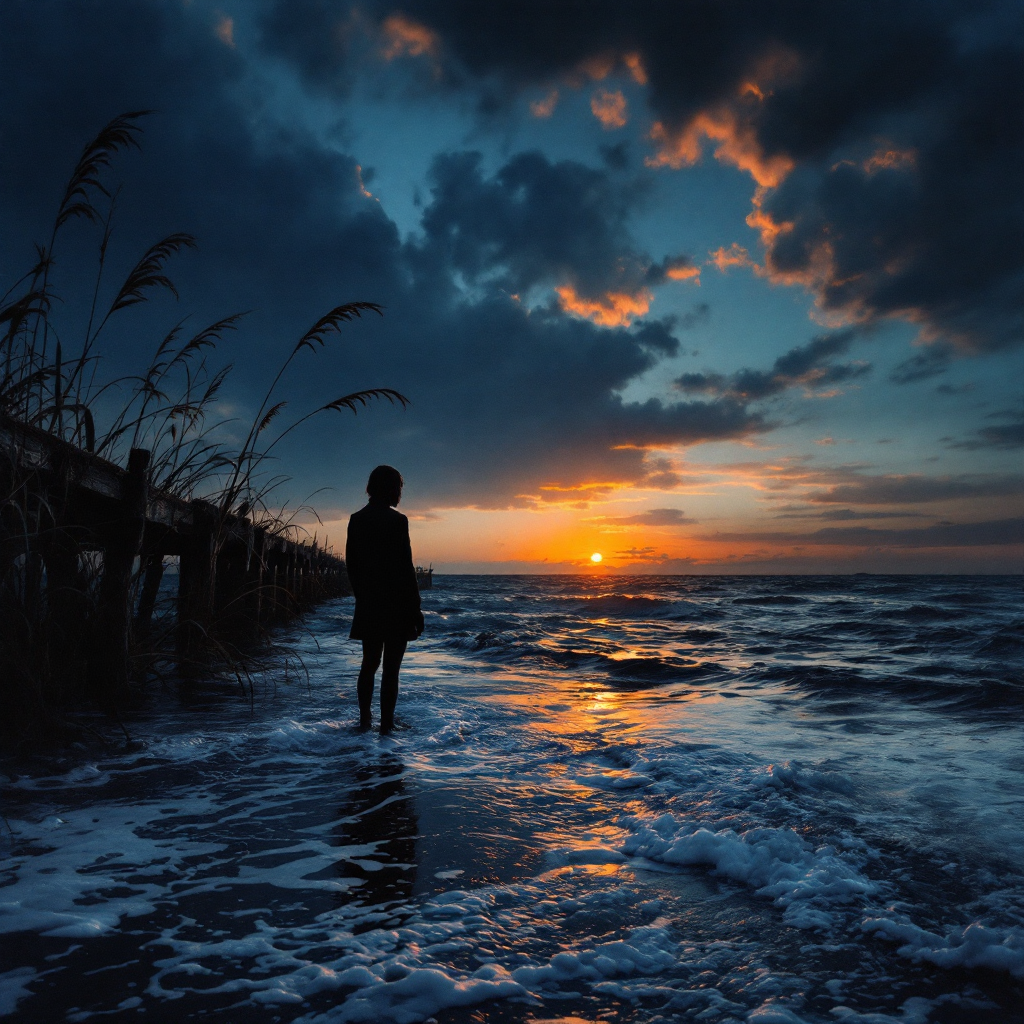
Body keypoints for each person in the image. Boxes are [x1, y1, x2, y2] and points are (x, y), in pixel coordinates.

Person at [345, 465, 424, 734]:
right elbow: (406, 569)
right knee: (391, 669)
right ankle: (387, 726)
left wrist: (363, 596)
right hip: (396, 606)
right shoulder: (398, 521)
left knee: (369, 664)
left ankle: (365, 720)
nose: (400, 494)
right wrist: (416, 610)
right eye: (399, 488)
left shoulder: (357, 519)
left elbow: (352, 565)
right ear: (391, 489)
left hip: (369, 604)